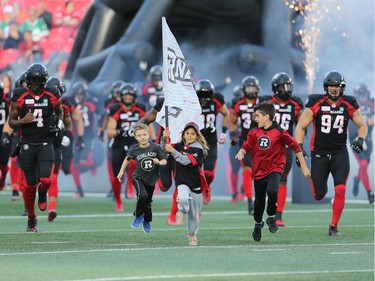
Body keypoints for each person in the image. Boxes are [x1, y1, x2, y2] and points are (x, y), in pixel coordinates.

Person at [295, 70, 368, 237]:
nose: (334, 89)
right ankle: (322, 189)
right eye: (331, 86)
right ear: (325, 87)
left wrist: (360, 140)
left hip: (339, 153)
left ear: (342, 87)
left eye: (337, 86)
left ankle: (333, 226)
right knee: (318, 195)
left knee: (341, 189)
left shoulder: (349, 103)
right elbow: (301, 126)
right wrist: (299, 146)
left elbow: (362, 125)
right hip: (319, 153)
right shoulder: (315, 102)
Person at [236, 102, 310, 242]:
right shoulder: (254, 132)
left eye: (257, 116)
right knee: (258, 203)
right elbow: (247, 145)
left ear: (267, 116)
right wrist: (242, 151)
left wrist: (304, 167)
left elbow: (296, 147)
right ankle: (258, 224)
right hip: (258, 171)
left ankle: (271, 217)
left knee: (272, 190)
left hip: (275, 168)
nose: (255, 119)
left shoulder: (280, 132)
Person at [8, 63, 64, 232]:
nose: (36, 84)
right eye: (33, 80)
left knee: (46, 180)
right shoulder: (19, 95)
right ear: (28, 80)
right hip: (27, 144)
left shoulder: (52, 93)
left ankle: (43, 192)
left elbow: (60, 112)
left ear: (44, 81)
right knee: (29, 185)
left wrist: (58, 125)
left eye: (39, 81)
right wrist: (22, 121)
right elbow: (11, 121)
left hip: (46, 142)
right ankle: (31, 218)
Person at [259, 72, 305, 226]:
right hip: (268, 146)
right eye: (284, 86)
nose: (287, 89)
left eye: (288, 86)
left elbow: (301, 126)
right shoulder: (267, 102)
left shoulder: (296, 104)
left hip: (286, 147)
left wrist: (299, 145)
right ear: (276, 88)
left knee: (283, 180)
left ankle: (278, 215)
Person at [163, 122, 209, 246]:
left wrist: (172, 151)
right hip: (181, 181)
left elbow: (186, 161)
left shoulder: (199, 149)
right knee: (182, 198)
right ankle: (182, 211)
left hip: (195, 183)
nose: (189, 136)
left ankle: (192, 234)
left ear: (197, 136)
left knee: (194, 214)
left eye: (193, 134)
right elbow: (165, 149)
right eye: (187, 133)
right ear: (183, 134)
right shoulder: (177, 145)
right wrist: (164, 138)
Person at [117, 123, 167, 233]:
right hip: (138, 177)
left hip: (152, 179)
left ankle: (146, 220)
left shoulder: (156, 147)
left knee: (148, 201)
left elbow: (165, 160)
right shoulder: (134, 149)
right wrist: (121, 172)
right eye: (139, 135)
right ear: (135, 137)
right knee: (142, 195)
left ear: (148, 134)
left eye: (144, 134)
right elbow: (127, 159)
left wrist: (159, 162)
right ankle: (138, 216)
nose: (142, 137)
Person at [107, 83, 148, 211]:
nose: (128, 97)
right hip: (118, 143)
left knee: (135, 161)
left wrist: (153, 139)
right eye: (126, 95)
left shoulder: (140, 108)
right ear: (122, 96)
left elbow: (148, 124)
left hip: (134, 142)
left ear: (134, 96)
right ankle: (118, 201)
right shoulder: (115, 108)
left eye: (130, 95)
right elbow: (110, 132)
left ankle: (130, 184)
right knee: (115, 176)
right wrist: (121, 131)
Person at [230, 75, 261, 214]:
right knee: (247, 170)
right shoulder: (238, 103)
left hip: (261, 142)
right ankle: (250, 201)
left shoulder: (263, 102)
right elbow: (232, 120)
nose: (250, 90)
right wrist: (232, 135)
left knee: (258, 172)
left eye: (253, 88)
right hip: (246, 142)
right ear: (243, 89)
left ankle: (257, 199)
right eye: (248, 88)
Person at [195, 79, 230, 204]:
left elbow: (226, 114)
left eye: (206, 97)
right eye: (201, 97)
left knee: (209, 173)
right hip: (194, 140)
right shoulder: (191, 102)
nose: (204, 100)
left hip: (210, 139)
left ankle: (207, 188)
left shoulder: (216, 100)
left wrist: (224, 132)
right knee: (195, 173)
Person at [348, 83, 374, 203]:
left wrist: (372, 121)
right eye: (361, 95)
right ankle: (370, 193)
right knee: (363, 164)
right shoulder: (352, 106)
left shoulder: (371, 103)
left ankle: (357, 178)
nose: (363, 97)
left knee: (365, 164)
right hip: (356, 139)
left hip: (368, 139)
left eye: (364, 94)